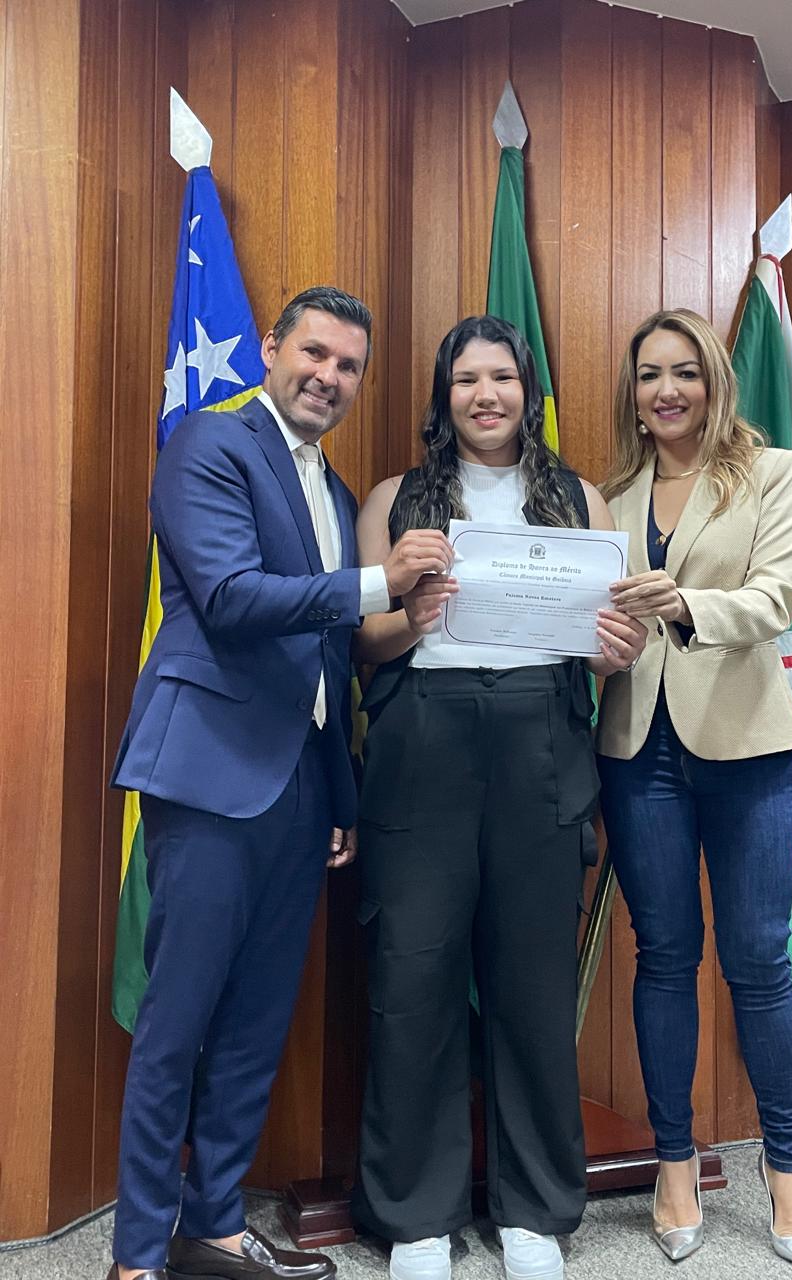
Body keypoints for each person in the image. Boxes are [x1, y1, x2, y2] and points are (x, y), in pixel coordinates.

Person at [108, 286, 452, 1280]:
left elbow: (331, 657)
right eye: (315, 353)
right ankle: (137, 1256)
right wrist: (384, 581)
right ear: (271, 348)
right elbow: (228, 597)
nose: (328, 377)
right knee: (178, 1022)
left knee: (258, 1023)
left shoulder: (336, 494)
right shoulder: (209, 444)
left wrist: (338, 799)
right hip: (208, 777)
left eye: (349, 366)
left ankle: (213, 1224)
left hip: (300, 792)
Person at [349, 316, 647, 1280]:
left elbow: (606, 645)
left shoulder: (579, 498)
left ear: (529, 391)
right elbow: (362, 644)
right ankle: (416, 1216)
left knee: (532, 984)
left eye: (504, 378)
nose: (486, 395)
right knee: (414, 978)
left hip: (539, 744)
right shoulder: (395, 498)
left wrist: (617, 650)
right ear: (444, 396)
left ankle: (534, 1211)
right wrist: (410, 615)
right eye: (467, 379)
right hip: (423, 744)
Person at [595, 309, 792, 1276]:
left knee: (758, 961)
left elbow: (778, 598)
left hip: (746, 747)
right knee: (663, 957)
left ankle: (788, 1169)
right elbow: (595, 619)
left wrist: (685, 604)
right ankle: (675, 1162)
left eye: (685, 371)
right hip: (635, 748)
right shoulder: (608, 496)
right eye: (650, 374)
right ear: (633, 391)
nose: (667, 391)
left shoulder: (772, 471)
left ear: (714, 380)